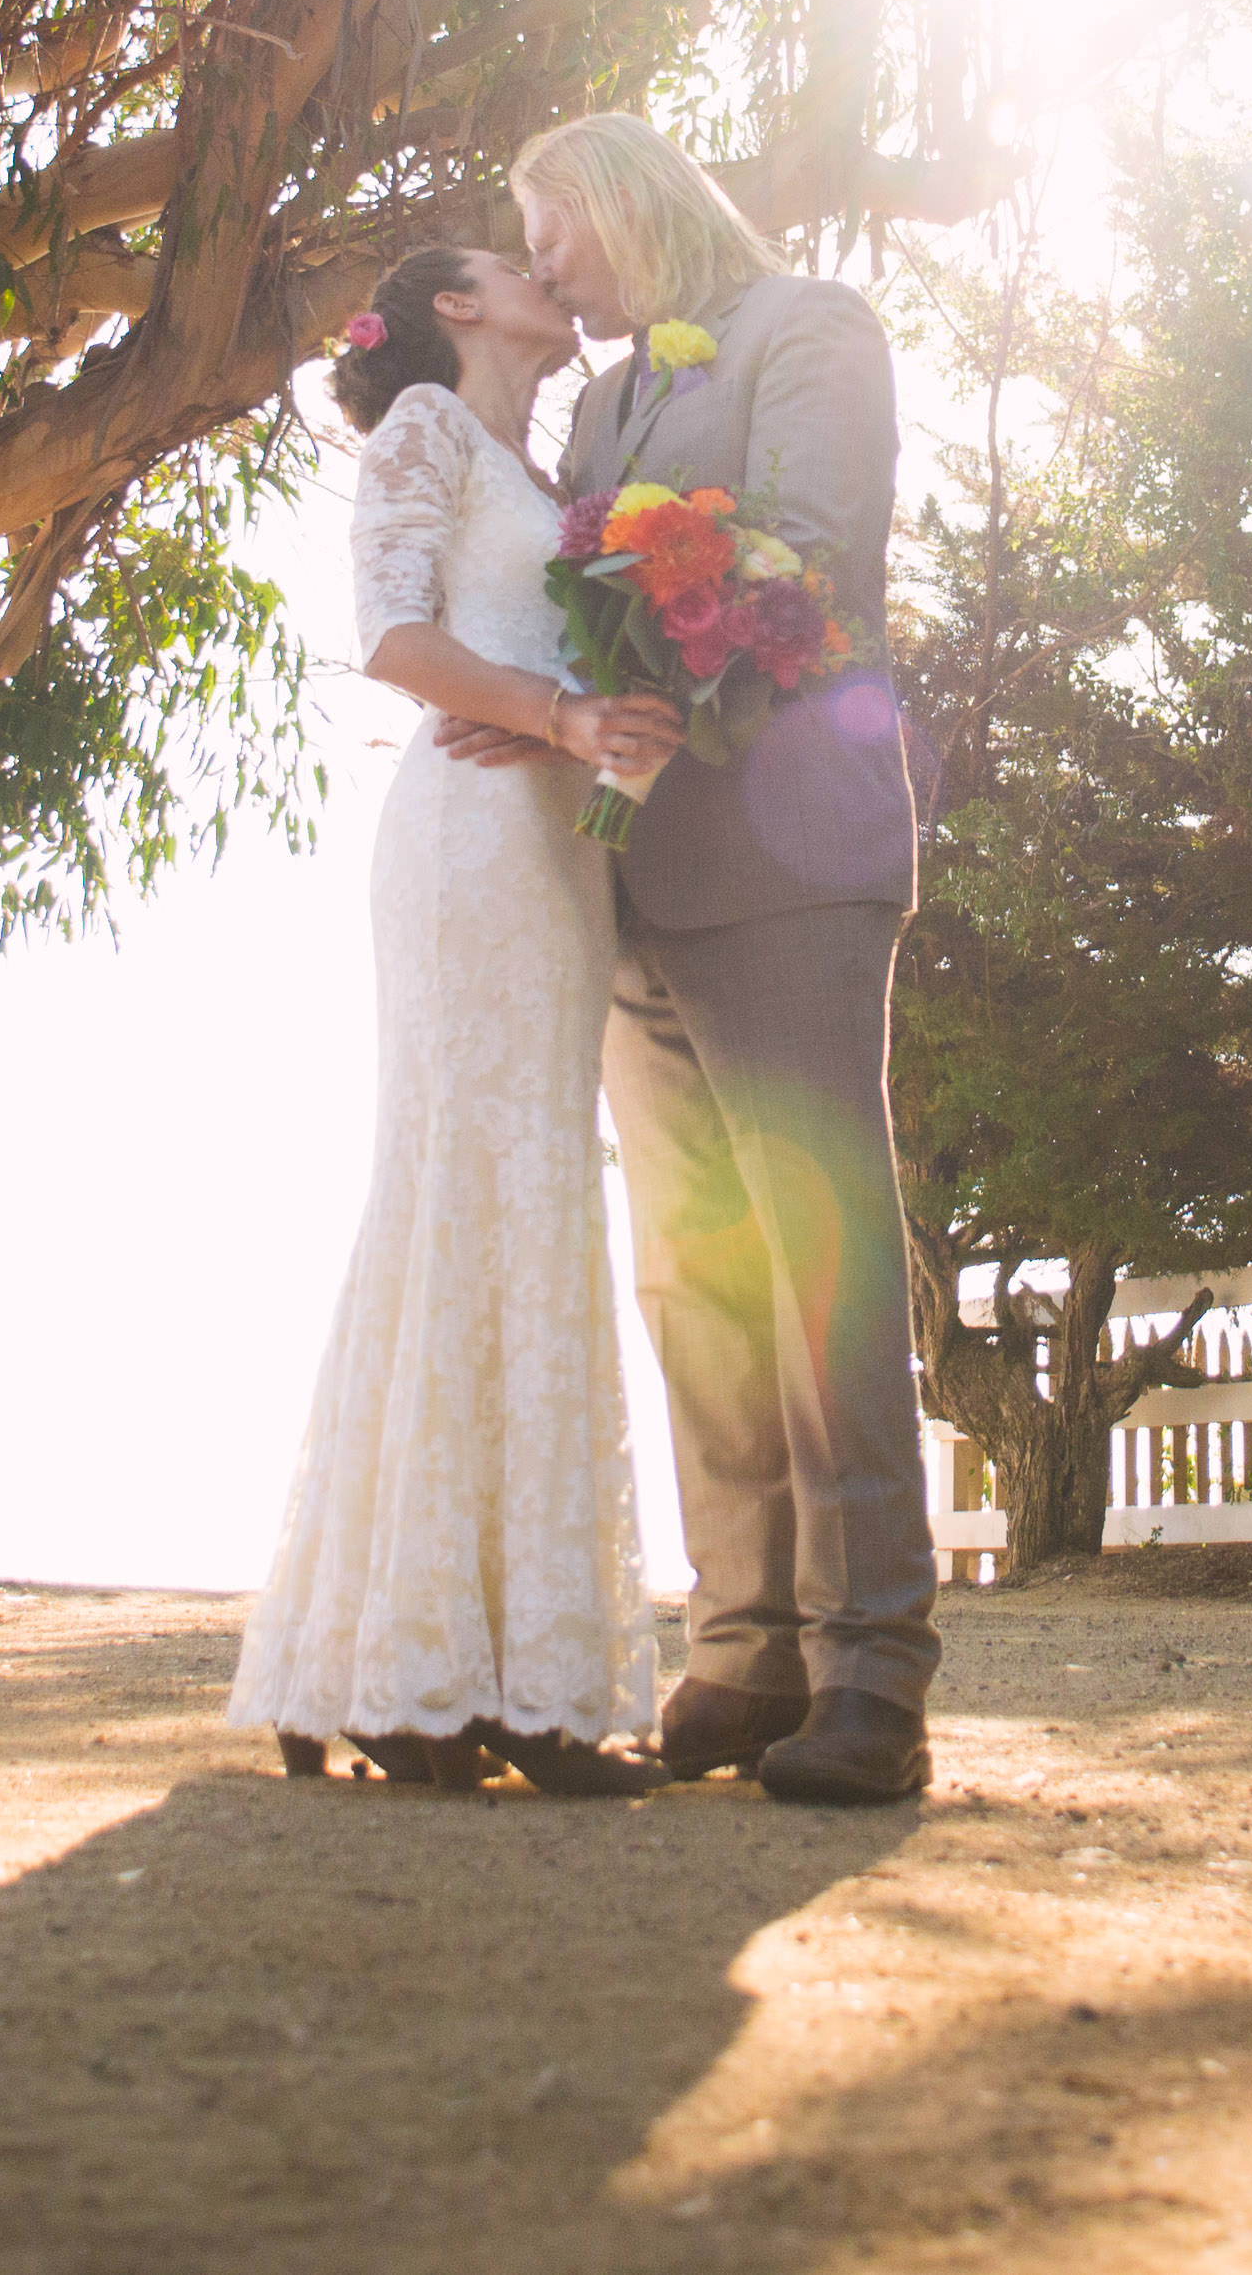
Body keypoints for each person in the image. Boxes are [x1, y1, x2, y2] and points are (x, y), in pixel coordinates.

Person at [452, 113, 940, 1808]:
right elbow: (566, 603)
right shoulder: (594, 406)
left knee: (818, 1256)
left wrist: (646, 666)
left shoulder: (811, 329)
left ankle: (878, 1663)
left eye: (550, 225)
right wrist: (541, 711)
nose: (549, 262)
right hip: (626, 883)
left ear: (620, 200)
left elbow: (808, 554)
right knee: (695, 1272)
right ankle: (748, 1645)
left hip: (790, 854)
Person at [224, 243, 684, 1798]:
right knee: (462, 1194)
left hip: (561, 856)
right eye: (515, 259)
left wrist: (618, 715)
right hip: (468, 848)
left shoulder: (553, 472)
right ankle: (437, 1683)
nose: (552, 270)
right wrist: (554, 714)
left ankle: (428, 1660)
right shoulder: (423, 423)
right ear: (457, 310)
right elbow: (395, 639)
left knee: (523, 1198)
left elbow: (568, 647)